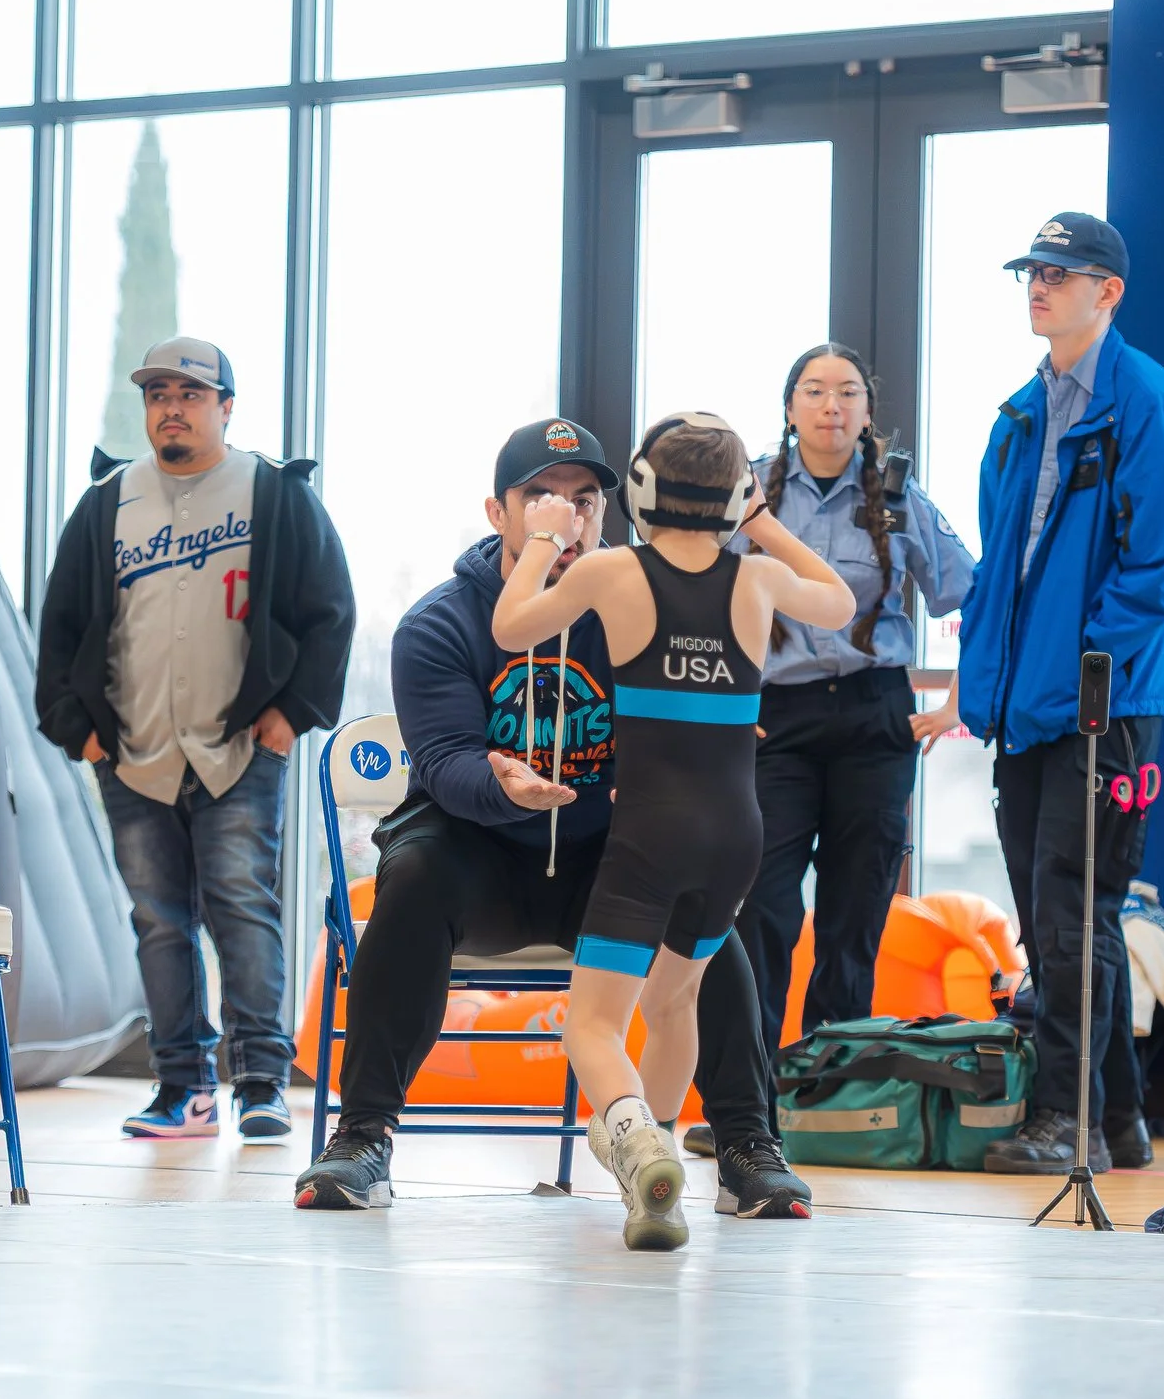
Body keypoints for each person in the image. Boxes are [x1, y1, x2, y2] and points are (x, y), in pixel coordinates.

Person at [292, 418, 818, 1225]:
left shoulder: (637, 600)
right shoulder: (440, 623)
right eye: (541, 496)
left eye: (584, 499)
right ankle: (363, 1135)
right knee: (412, 874)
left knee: (702, 914)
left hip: (605, 853)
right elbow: (444, 760)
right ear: (498, 513)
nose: (566, 514)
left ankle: (748, 1143)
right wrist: (500, 782)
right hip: (479, 847)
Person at [489, 413, 854, 1251]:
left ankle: (637, 1139)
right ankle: (649, 1175)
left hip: (649, 837)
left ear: (643, 492)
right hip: (736, 838)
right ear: (736, 498)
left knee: (592, 1025)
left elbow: (511, 628)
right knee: (673, 998)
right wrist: (763, 525)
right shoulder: (756, 579)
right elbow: (839, 601)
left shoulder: (613, 570)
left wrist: (544, 538)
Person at [36, 337, 354, 1141]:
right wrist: (82, 736)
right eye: (157, 395)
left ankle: (260, 1082)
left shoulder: (275, 494)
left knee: (242, 908)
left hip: (239, 748)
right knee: (158, 920)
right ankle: (183, 1086)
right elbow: (61, 625)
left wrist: (290, 716)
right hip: (132, 753)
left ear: (225, 407)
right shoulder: (108, 501)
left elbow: (331, 612)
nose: (171, 408)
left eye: (189, 394)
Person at [944, 213, 1164, 1178]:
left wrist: (1090, 661)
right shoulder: (1020, 413)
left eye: (1060, 273)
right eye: (1032, 273)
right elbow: (1003, 569)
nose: (1039, 287)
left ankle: (1066, 1119)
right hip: (1027, 706)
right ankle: (1120, 1118)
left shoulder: (1144, 399)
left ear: (1109, 291)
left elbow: (1162, 563)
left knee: (1071, 912)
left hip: (1105, 705)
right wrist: (989, 679)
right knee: (1054, 914)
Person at [705, 343, 974, 1155]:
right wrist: (721, 705)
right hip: (775, 722)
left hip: (872, 716)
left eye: (848, 392)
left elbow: (973, 592)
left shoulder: (899, 497)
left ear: (867, 410)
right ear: (790, 407)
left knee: (854, 918)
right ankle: (745, 1108)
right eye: (815, 391)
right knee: (764, 911)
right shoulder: (749, 494)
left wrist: (961, 699)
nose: (831, 405)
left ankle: (830, 1102)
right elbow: (694, 592)